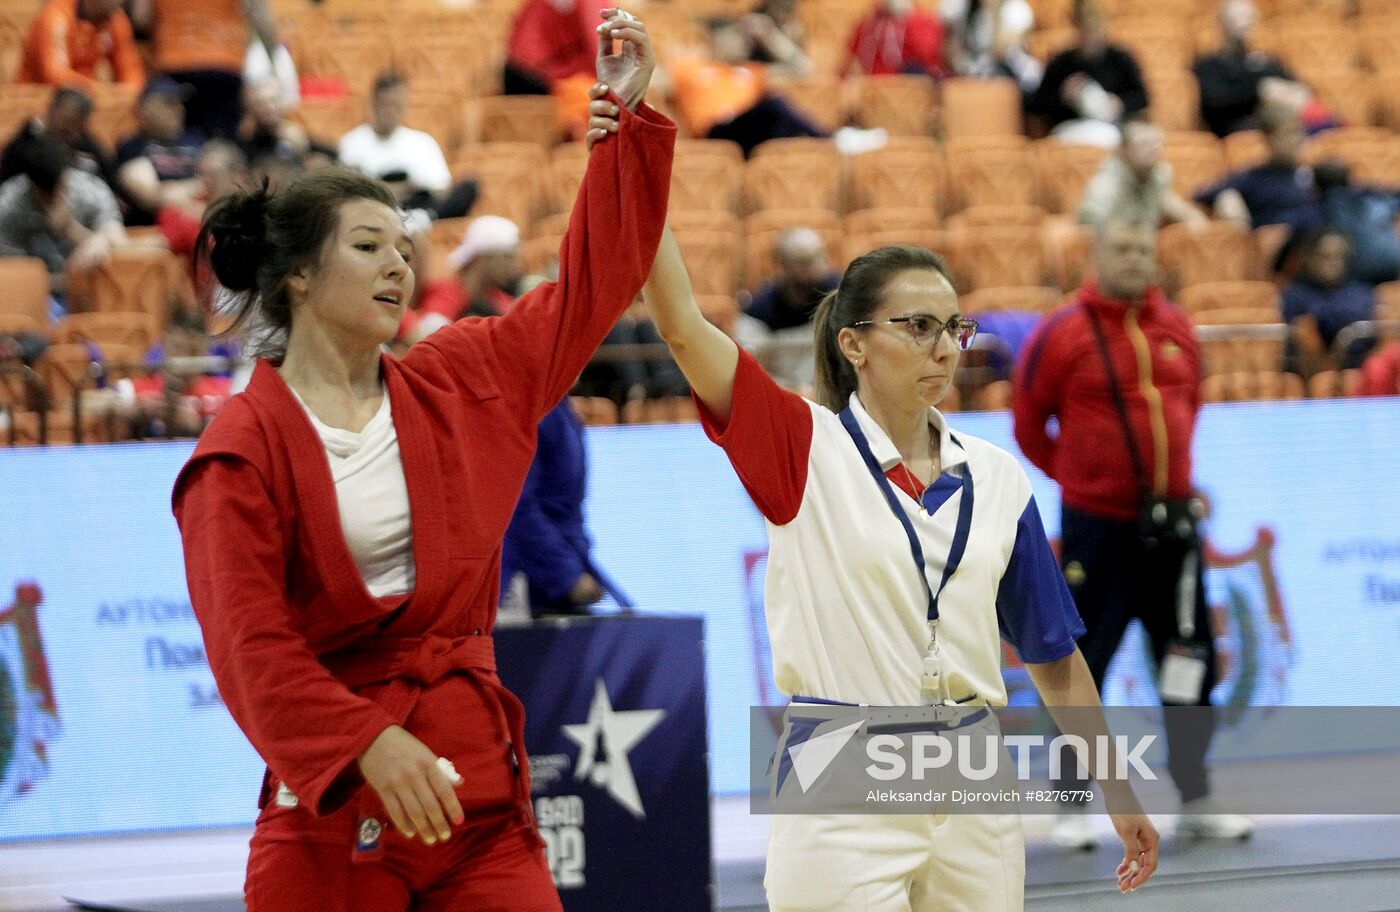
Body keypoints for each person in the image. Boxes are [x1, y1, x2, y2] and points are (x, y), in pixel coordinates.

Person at [581, 90, 1159, 910]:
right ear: (853, 343)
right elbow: (680, 324)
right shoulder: (799, 446)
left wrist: (1118, 792)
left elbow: (1055, 658)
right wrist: (631, 154)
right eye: (916, 326)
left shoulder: (997, 477)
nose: (943, 348)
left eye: (952, 328)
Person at [169, 11, 673, 908]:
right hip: (330, 816)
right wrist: (363, 740)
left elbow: (589, 288)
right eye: (368, 248)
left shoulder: (460, 375)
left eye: (404, 249)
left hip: (479, 810)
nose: (398, 266)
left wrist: (624, 129)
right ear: (296, 276)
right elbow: (251, 648)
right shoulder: (239, 451)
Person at [1012, 219, 1255, 848]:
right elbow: (1029, 422)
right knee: (1080, 668)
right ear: (1096, 254)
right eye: (1122, 245)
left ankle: (1196, 797)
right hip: (1097, 531)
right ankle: (1070, 806)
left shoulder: (1177, 327)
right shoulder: (1061, 332)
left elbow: (1190, 407)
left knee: (1190, 661)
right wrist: (1083, 482)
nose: (1134, 256)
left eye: (1143, 247)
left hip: (1172, 531)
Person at [500, 397, 632, 620]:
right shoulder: (533, 411)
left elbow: (564, 510)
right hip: (526, 584)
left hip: (556, 580)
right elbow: (515, 507)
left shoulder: (559, 410)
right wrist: (567, 575)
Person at [667, 19, 826, 157]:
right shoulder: (690, 68)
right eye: (733, 37)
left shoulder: (751, 70)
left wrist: (769, 37)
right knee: (775, 105)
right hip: (714, 132)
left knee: (779, 118)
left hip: (748, 132)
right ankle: (828, 139)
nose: (740, 42)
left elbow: (803, 68)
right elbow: (654, 80)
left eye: (741, 38)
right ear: (715, 41)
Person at [0, 132, 125, 300]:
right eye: (47, 195)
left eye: (62, 188)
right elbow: (13, 276)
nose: (57, 197)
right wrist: (69, 280)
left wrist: (75, 231)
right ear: (31, 184)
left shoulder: (90, 190)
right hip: (34, 298)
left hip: (94, 292)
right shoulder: (9, 205)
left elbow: (120, 243)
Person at [130, 0, 280, 139]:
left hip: (176, 64)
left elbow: (141, 18)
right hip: (224, 65)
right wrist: (274, 65)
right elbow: (260, 16)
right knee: (221, 144)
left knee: (178, 145)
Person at [1026, 0, 1147, 146]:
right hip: (1070, 128)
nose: (1092, 37)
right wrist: (1063, 96)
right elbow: (1037, 105)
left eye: (1096, 28)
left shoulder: (1120, 59)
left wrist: (1119, 103)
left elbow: (1142, 97)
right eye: (1086, 29)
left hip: (1111, 127)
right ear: (1077, 28)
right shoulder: (1061, 63)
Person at [336, 73, 456, 217]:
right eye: (385, 104)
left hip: (418, 209)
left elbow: (442, 188)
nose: (390, 112)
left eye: (396, 105)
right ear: (374, 103)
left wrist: (410, 187)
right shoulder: (351, 143)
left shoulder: (423, 142)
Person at [1195, 104, 1318, 230]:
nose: (1295, 140)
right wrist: (1228, 196)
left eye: (1298, 133)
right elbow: (1203, 194)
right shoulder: (1255, 177)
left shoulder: (1312, 174)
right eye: (1287, 134)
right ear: (1269, 139)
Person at [402, 216, 524, 345]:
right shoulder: (447, 293)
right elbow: (429, 339)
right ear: (485, 257)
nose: (516, 266)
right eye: (508, 258)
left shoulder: (501, 301)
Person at [1193, 0, 1298, 138]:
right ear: (1222, 22)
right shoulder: (1208, 66)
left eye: (1249, 18)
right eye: (1237, 18)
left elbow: (1295, 86)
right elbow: (1215, 102)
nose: (1244, 24)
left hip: (1273, 123)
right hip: (1234, 127)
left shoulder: (1266, 61)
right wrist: (1259, 90)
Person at [1077, 120, 1207, 230]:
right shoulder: (1107, 184)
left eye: (1157, 143)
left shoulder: (1158, 176)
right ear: (1124, 150)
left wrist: (1193, 220)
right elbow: (1091, 222)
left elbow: (1177, 207)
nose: (1154, 149)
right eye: (1145, 144)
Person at [1282, 227, 1378, 374]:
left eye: (1340, 257)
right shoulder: (1294, 294)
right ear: (1309, 258)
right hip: (1308, 373)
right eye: (1326, 257)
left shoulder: (1360, 292)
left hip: (1357, 368)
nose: (1334, 263)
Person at [115, 77, 208, 226]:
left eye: (179, 103)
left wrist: (174, 190)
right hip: (157, 229)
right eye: (168, 103)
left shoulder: (197, 140)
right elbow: (151, 196)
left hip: (200, 225)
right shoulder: (132, 146)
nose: (179, 109)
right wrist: (200, 187)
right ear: (144, 109)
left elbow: (224, 182)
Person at [0, 87, 116, 189]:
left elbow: (109, 175)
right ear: (52, 110)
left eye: (78, 125)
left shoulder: (85, 142)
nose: (72, 130)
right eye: (67, 121)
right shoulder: (23, 145)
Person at [16, 0, 144, 90]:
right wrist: (99, 90)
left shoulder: (114, 19)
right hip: (39, 96)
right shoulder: (56, 17)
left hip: (87, 97)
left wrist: (129, 95)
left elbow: (130, 69)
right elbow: (54, 74)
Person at [941, 0, 1041, 94]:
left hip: (1012, 77)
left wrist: (994, 11)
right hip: (971, 74)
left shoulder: (1017, 9)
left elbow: (999, 50)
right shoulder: (966, 7)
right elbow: (951, 49)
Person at [843, 0, 947, 77]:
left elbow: (926, 54)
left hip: (905, 76)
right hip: (878, 80)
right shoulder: (867, 27)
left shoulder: (915, 24)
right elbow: (851, 58)